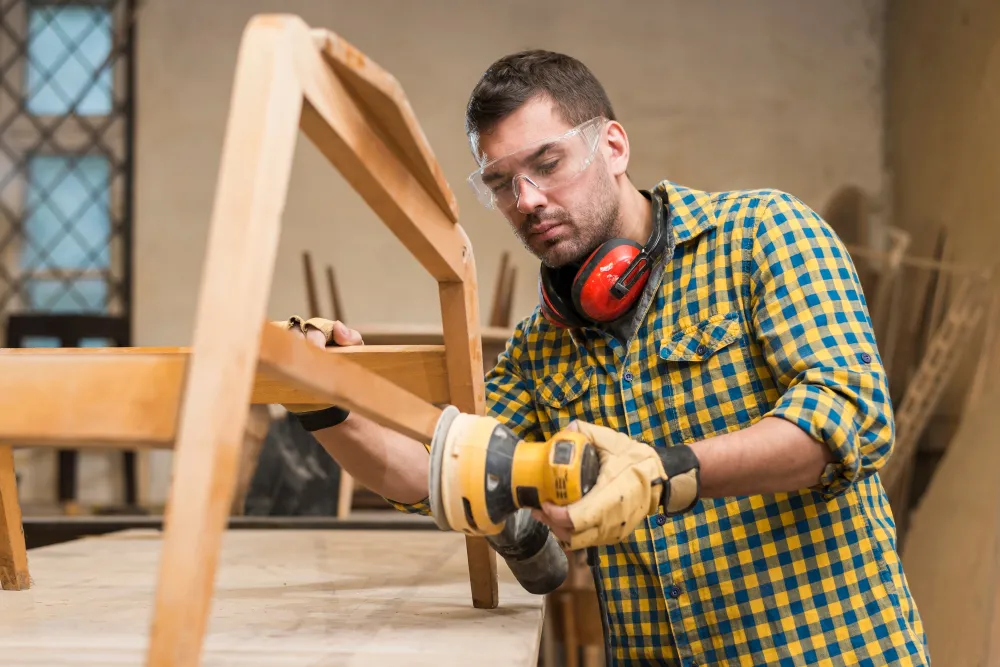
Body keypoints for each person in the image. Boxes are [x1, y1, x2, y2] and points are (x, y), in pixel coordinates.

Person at [280, 50, 931, 666]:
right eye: (502, 183)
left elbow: (848, 420)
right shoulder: (541, 348)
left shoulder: (763, 233)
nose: (527, 199)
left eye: (547, 163)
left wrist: (666, 473)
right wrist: (323, 397)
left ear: (613, 146)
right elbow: (437, 469)